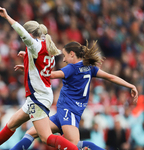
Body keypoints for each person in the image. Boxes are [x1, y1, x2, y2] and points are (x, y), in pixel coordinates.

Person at [0, 6, 80, 150]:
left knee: (46, 138)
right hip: (40, 95)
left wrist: (7, 17)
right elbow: (42, 68)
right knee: (12, 123)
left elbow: (20, 31)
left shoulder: (35, 45)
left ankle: (76, 149)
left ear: (31, 34)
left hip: (38, 97)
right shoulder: (47, 47)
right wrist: (27, 61)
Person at [10, 41, 138, 150]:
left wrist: (29, 65)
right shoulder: (90, 67)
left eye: (65, 56)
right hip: (67, 112)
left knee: (73, 145)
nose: (64, 59)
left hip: (68, 111)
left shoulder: (72, 68)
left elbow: (51, 75)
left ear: (72, 54)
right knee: (32, 133)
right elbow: (110, 77)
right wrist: (130, 85)